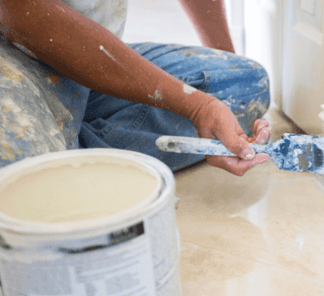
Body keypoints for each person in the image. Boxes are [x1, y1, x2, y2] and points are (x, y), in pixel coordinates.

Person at [0, 0, 272, 175]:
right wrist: (195, 105)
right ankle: (53, 150)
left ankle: (61, 146)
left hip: (90, 57)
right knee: (19, 183)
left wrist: (211, 102)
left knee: (244, 85)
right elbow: (20, 10)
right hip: (14, 56)